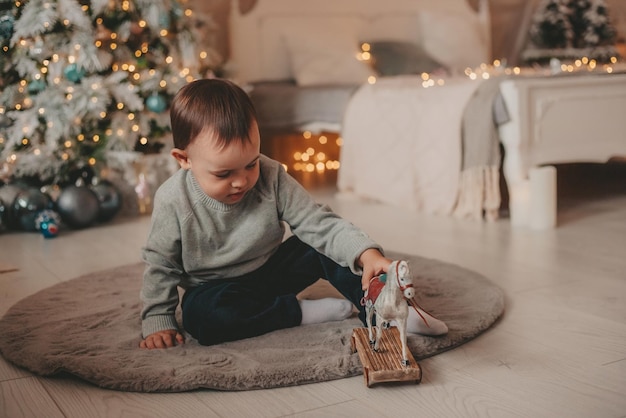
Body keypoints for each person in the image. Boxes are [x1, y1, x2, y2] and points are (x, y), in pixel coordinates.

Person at [139, 78, 447, 349]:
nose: (242, 181)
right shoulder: (173, 199)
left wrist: (366, 254)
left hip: (271, 270)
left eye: (251, 163)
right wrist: (158, 317)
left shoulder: (271, 176)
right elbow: (161, 264)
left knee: (325, 245)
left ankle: (383, 308)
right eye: (223, 174)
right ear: (184, 159)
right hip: (215, 288)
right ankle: (298, 313)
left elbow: (318, 224)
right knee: (201, 318)